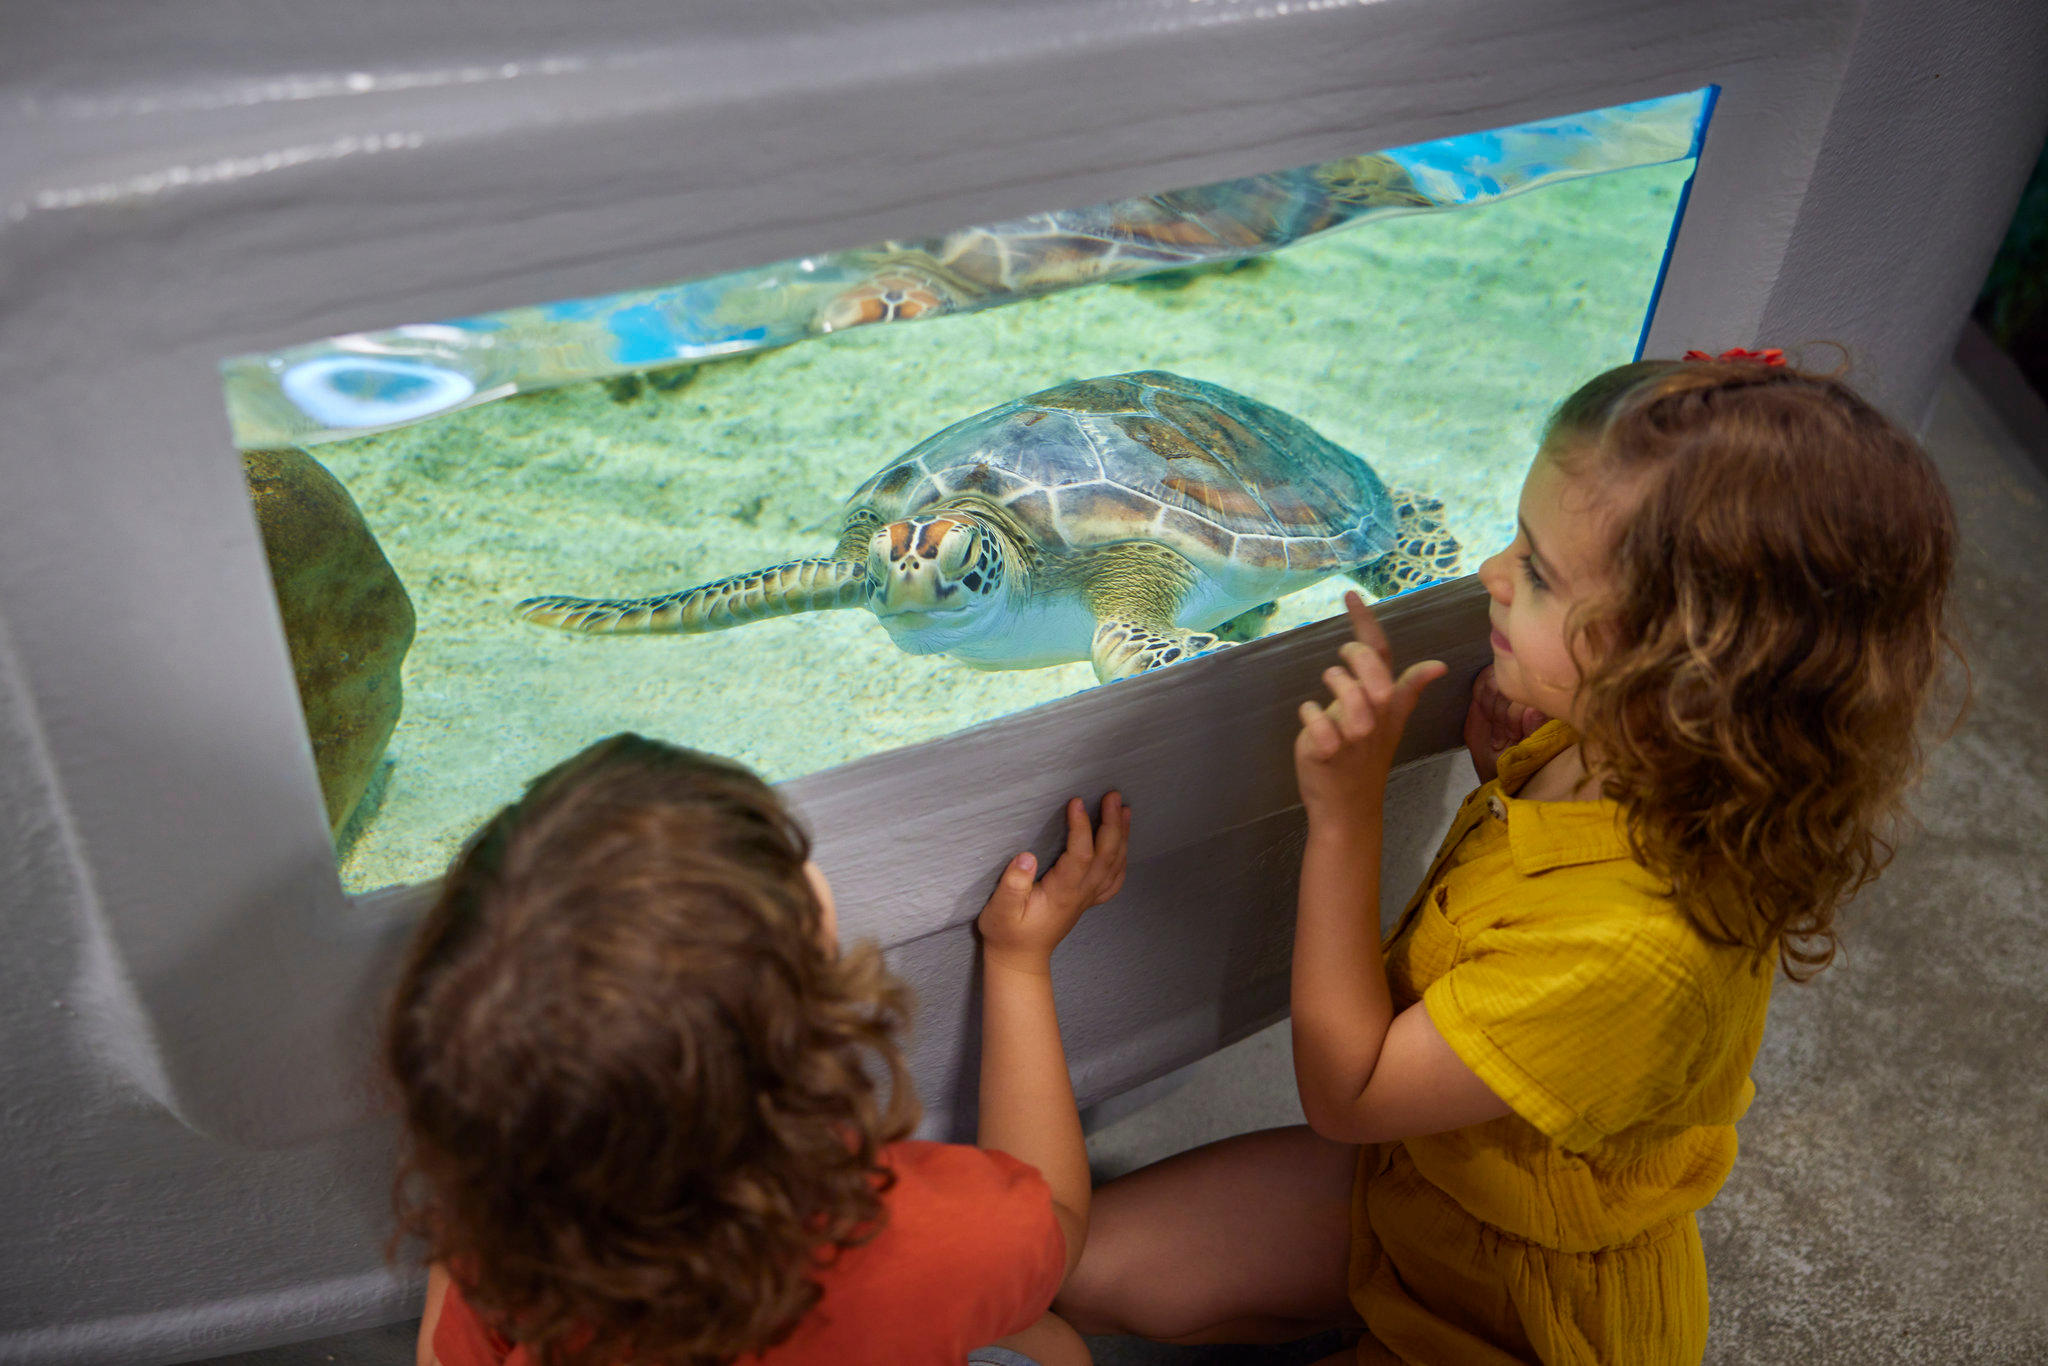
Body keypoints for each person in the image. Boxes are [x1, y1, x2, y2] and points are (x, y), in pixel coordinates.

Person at [1055, 349, 1961, 1363]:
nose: (1490, 572)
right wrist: (1500, 769)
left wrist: (1347, 818)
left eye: (1532, 568)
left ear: (1667, 660)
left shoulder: (1638, 949)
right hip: (1422, 1181)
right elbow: (1536, 875)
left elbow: (1346, 1093)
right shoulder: (1627, 748)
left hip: (1511, 1312)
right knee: (1065, 1268)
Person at [383, 732, 1130, 1366]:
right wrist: (1019, 961)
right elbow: (1056, 1218)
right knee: (1046, 1339)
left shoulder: (503, 1252)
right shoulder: (916, 1232)